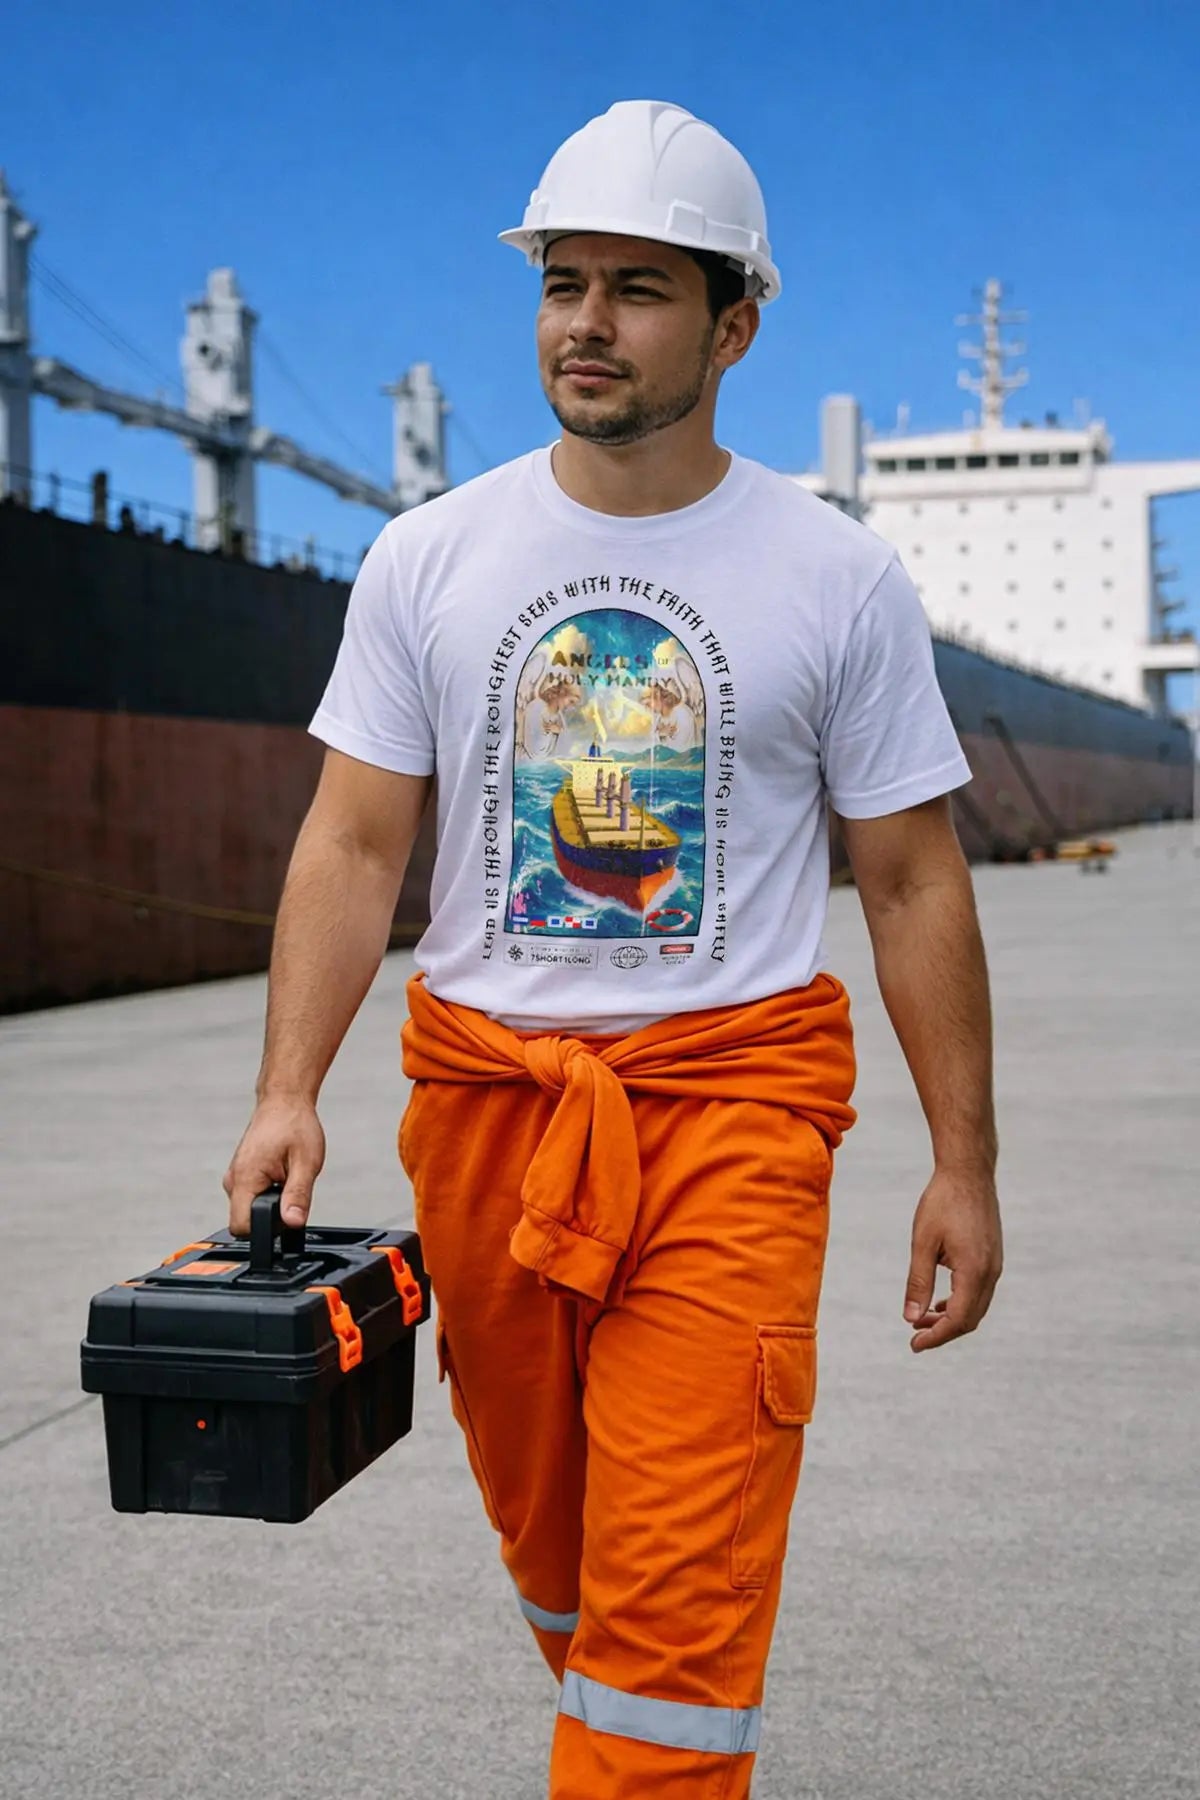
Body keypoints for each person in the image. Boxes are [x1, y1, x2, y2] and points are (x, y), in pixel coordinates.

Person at [224, 99, 1003, 1799]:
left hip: (730, 1118)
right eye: (564, 281)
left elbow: (915, 882)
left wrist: (964, 1162)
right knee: (566, 1570)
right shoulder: (433, 556)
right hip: (491, 1114)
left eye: (639, 289)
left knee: (673, 1615)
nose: (586, 321)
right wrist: (287, 1091)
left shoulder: (833, 576)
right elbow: (355, 843)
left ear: (735, 324)